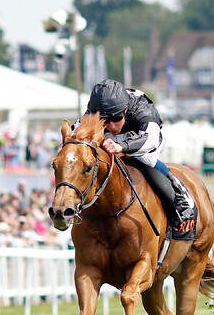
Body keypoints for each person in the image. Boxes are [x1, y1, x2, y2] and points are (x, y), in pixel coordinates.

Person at [80, 79, 196, 240]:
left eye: (116, 118)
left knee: (142, 158)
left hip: (144, 140)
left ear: (126, 110)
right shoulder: (92, 112)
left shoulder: (142, 108)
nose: (112, 126)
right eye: (105, 120)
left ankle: (179, 197)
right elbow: (76, 136)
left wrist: (122, 147)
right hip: (111, 141)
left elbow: (151, 140)